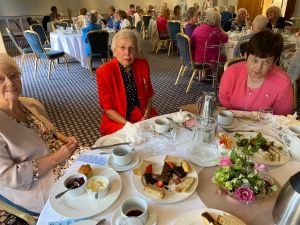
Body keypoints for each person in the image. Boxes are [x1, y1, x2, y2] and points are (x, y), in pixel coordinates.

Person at [0, 53, 82, 214]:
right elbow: (10, 176)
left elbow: (47, 130)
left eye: (12, 75)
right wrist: (56, 158)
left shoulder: (28, 104)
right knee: (87, 192)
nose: (10, 82)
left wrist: (63, 138)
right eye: (0, 79)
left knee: (102, 164)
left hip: (65, 157)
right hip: (36, 182)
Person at [96, 29, 158, 135]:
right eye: (122, 47)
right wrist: (129, 125)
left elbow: (149, 95)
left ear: (137, 50)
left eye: (131, 48)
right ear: (114, 50)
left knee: (160, 133)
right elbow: (108, 109)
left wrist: (147, 114)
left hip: (142, 114)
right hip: (118, 119)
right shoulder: (104, 72)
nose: (127, 53)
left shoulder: (143, 65)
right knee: (127, 140)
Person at [219, 30, 293, 115]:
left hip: (265, 126)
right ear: (246, 56)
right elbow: (224, 101)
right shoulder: (231, 73)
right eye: (254, 60)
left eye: (266, 62)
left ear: (274, 62)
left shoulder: (283, 83)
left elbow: (281, 117)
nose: (259, 68)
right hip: (233, 120)